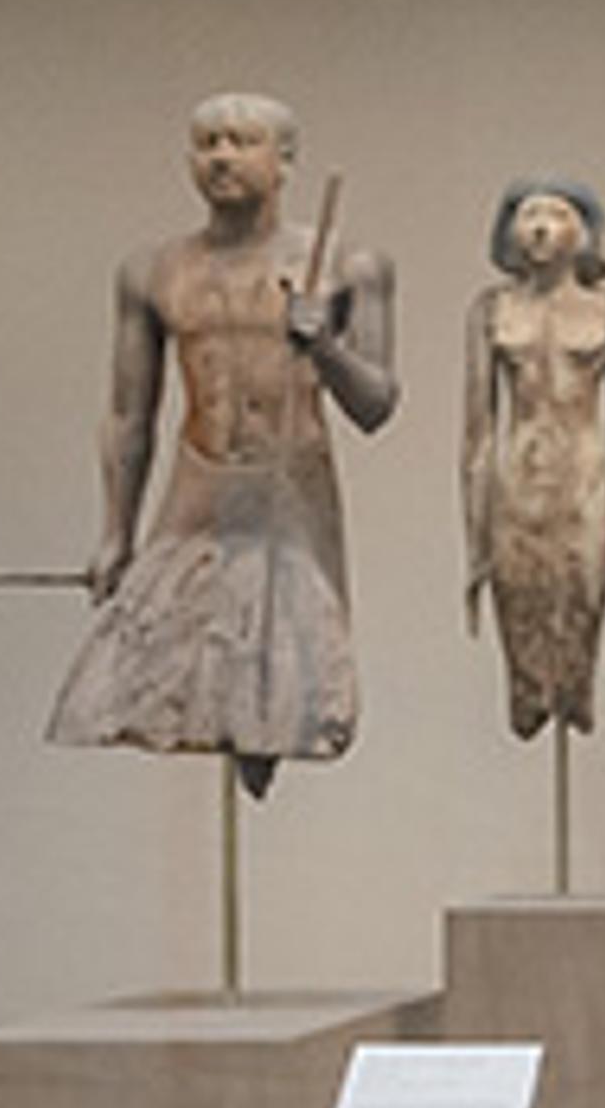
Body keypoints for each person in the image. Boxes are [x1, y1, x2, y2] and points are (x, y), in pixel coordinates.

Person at [47, 91, 397, 797]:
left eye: (241, 142)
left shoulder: (347, 265)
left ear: (285, 160)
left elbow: (377, 404)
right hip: (197, 486)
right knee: (140, 674)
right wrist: (115, 531)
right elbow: (127, 414)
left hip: (289, 488)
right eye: (207, 143)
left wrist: (323, 346)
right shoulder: (153, 270)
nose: (222, 158)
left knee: (287, 681)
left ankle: (263, 741)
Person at [461, 176, 605, 742]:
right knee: (520, 623)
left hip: (586, 479)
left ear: (585, 231)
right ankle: (529, 698)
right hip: (516, 479)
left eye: (558, 215)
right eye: (529, 216)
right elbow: (475, 432)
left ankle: (574, 695)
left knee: (581, 612)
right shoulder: (491, 309)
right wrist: (472, 544)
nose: (541, 228)